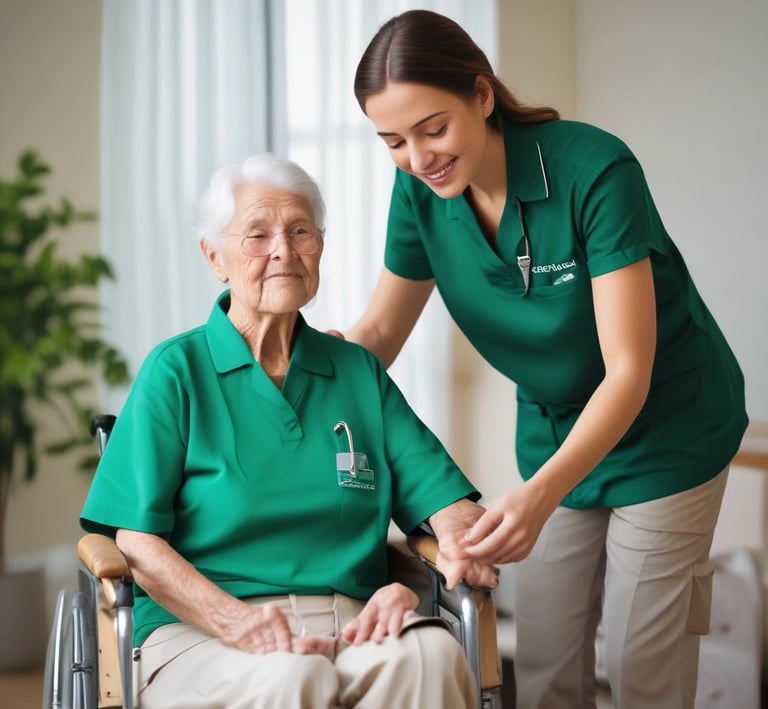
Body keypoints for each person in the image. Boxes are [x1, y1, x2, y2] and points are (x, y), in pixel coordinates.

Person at [343, 9, 749, 709]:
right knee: (545, 667)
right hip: (557, 427)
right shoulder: (419, 192)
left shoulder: (594, 169)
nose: (418, 157)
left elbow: (628, 369)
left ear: (481, 93)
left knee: (638, 663)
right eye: (394, 141)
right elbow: (380, 329)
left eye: (433, 128)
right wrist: (283, 373)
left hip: (666, 428)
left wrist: (537, 495)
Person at [80, 153, 497, 709]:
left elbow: (450, 508)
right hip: (204, 632)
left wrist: (422, 578)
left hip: (352, 624)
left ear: (320, 246)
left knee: (432, 656)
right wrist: (236, 621)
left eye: (300, 230)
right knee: (293, 678)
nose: (283, 249)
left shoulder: (356, 371)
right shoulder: (175, 371)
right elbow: (135, 541)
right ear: (215, 257)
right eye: (257, 234)